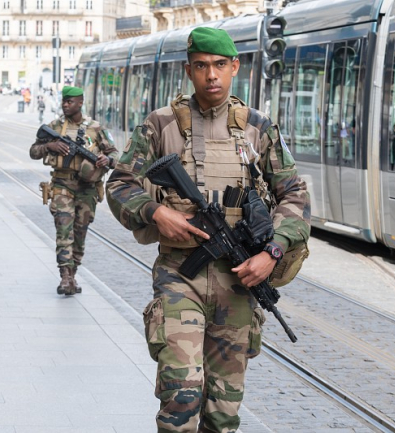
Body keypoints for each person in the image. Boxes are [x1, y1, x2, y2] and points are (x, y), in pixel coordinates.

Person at [106, 27, 311, 432]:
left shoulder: (258, 129)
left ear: (235, 67)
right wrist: (154, 212)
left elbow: (295, 195)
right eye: (201, 67)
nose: (211, 75)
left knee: (222, 412)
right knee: (181, 396)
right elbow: (119, 182)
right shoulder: (161, 125)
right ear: (188, 70)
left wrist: (271, 254)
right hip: (181, 276)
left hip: (239, 284)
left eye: (220, 65)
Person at [30, 86, 119, 295]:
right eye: (64, 101)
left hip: (87, 190)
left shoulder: (96, 129)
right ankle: (65, 277)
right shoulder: (55, 127)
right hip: (62, 186)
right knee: (63, 231)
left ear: (80, 103)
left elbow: (116, 155)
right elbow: (33, 151)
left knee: (80, 234)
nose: (65, 105)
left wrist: (108, 159)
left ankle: (73, 272)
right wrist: (49, 147)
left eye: (70, 102)